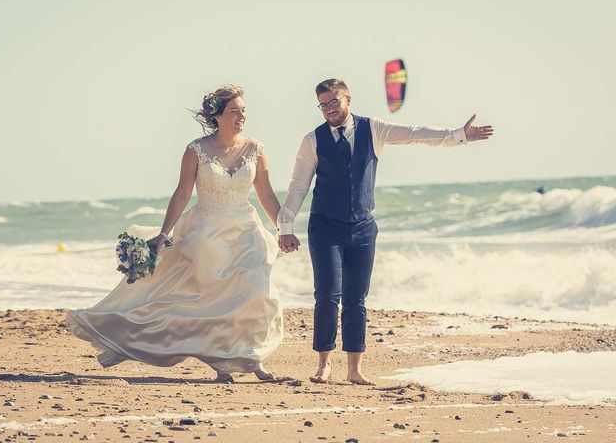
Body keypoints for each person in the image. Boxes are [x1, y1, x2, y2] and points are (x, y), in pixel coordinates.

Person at [277, 78, 493, 385]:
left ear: (348, 100)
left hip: (363, 227)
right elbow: (299, 185)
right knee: (327, 294)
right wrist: (286, 225)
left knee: (357, 298)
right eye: (323, 105)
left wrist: (458, 135)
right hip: (325, 226)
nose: (329, 110)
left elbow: (416, 134)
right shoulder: (312, 140)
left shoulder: (373, 129)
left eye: (334, 103)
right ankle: (324, 364)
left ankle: (354, 369)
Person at [67, 85, 283, 383]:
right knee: (214, 300)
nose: (241, 116)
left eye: (244, 110)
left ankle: (251, 357)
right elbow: (181, 194)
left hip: (247, 231)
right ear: (217, 115)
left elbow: (267, 196)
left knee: (257, 290)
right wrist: (163, 234)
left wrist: (285, 229)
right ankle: (223, 364)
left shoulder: (256, 150)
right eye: (234, 111)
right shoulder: (196, 150)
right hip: (206, 233)